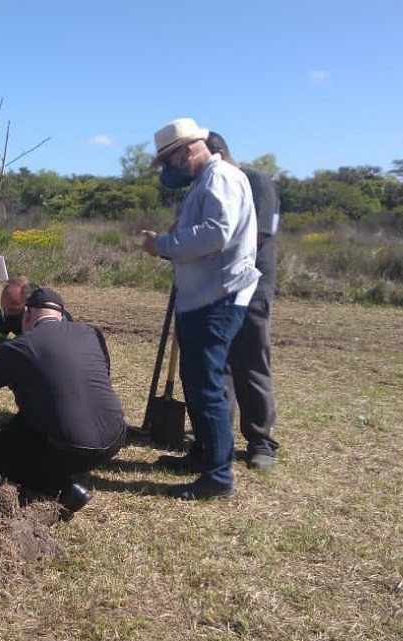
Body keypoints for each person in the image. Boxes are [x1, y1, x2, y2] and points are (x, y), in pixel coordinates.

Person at [140, 117, 260, 500]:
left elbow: (216, 233)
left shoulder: (220, 177)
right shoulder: (206, 181)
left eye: (170, 162)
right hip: (203, 296)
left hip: (218, 297)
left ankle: (218, 477)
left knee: (206, 387)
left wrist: (164, 245)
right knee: (197, 383)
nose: (170, 172)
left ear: (189, 149)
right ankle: (204, 453)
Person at [0, 287, 127, 519]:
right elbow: (102, 373)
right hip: (115, 440)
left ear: (26, 314)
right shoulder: (91, 332)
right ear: (61, 315)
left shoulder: (18, 348)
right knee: (22, 425)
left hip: (69, 449)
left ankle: (64, 489)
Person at [204, 131, 281, 470]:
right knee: (218, 364)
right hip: (215, 286)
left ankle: (261, 441)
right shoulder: (208, 184)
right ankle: (217, 437)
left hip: (251, 285)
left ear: (216, 152)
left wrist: (199, 251)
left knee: (250, 358)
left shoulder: (256, 181)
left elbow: (258, 235)